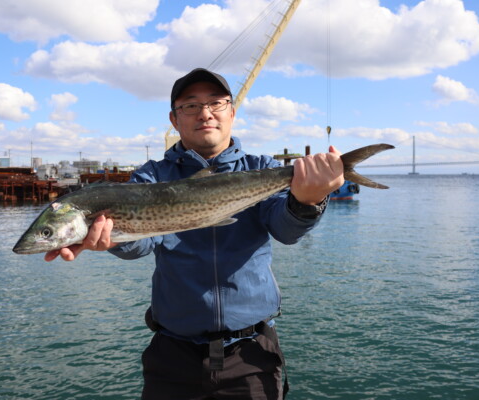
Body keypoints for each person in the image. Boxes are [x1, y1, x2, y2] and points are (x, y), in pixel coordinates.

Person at [45, 68, 344, 399]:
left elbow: (286, 230)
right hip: (173, 356)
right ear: (174, 119)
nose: (205, 113)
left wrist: (308, 200)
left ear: (232, 112)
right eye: (190, 106)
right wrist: (112, 238)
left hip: (251, 353)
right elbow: (142, 242)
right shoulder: (153, 177)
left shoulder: (261, 167)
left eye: (216, 103)